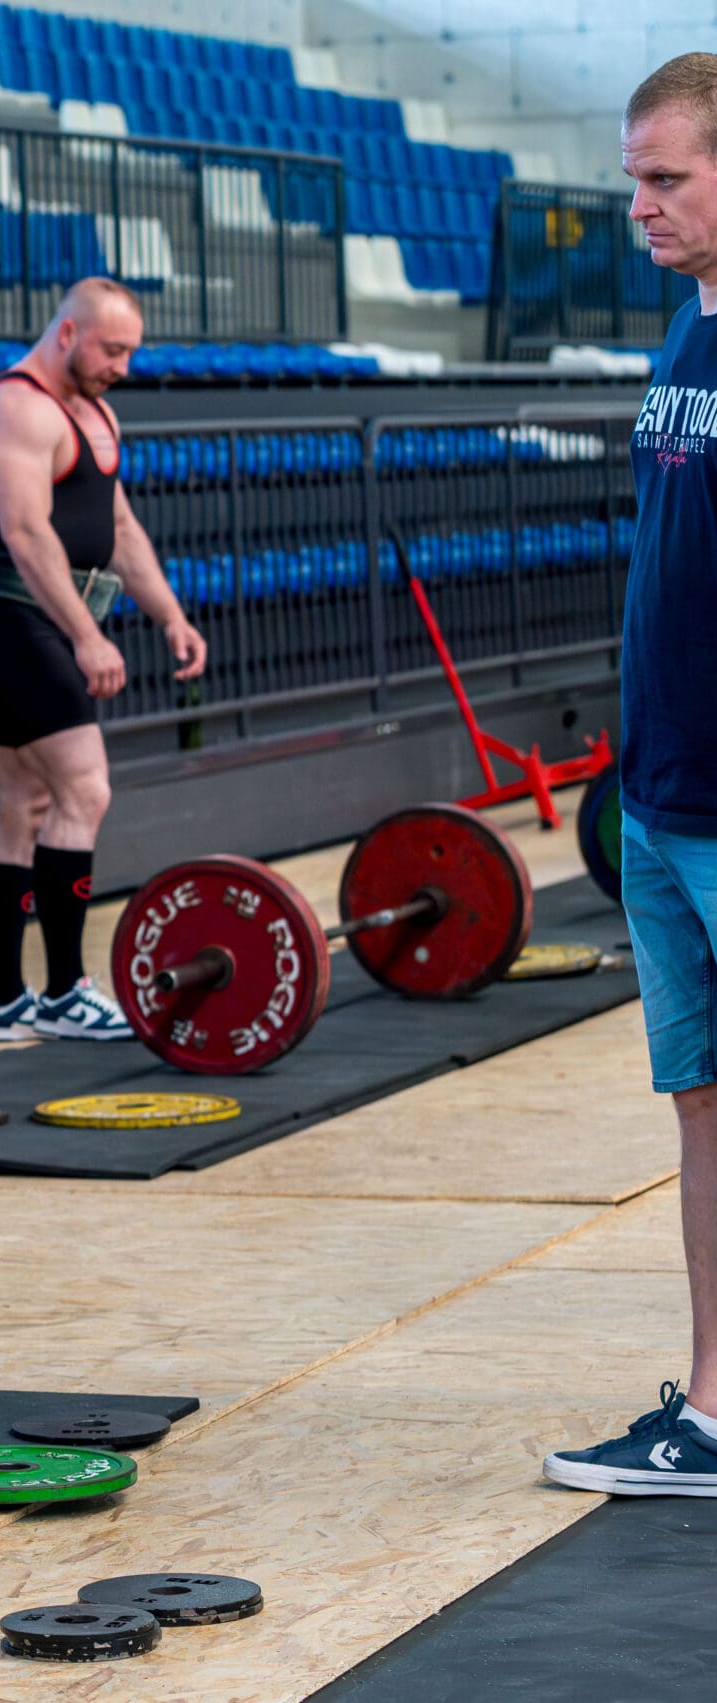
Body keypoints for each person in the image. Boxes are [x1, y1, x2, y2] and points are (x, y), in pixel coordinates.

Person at [542, 52, 717, 1498]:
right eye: (633, 180)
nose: (640, 206)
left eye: (667, 178)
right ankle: (713, 1410)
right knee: (702, 1103)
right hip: (659, 793)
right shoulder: (681, 330)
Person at [0, 277, 206, 1044]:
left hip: (43, 624)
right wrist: (87, 635)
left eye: (131, 352)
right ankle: (66, 990)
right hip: (13, 622)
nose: (123, 366)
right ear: (67, 332)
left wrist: (169, 614)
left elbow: (119, 527)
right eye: (112, 349)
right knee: (84, 788)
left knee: (24, 802)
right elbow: (26, 533)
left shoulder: (93, 409)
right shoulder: (18, 407)